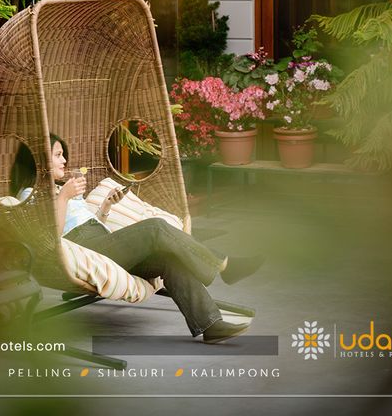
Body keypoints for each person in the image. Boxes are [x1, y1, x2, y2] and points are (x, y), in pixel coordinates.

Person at [14, 134, 263, 344]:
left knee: (168, 259)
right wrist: (63, 197)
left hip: (101, 242)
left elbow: (88, 222)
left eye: (62, 154)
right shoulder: (30, 194)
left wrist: (105, 209)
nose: (65, 160)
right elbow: (51, 237)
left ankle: (211, 325)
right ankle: (223, 265)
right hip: (83, 246)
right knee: (155, 227)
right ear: (39, 160)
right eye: (58, 155)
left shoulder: (63, 189)